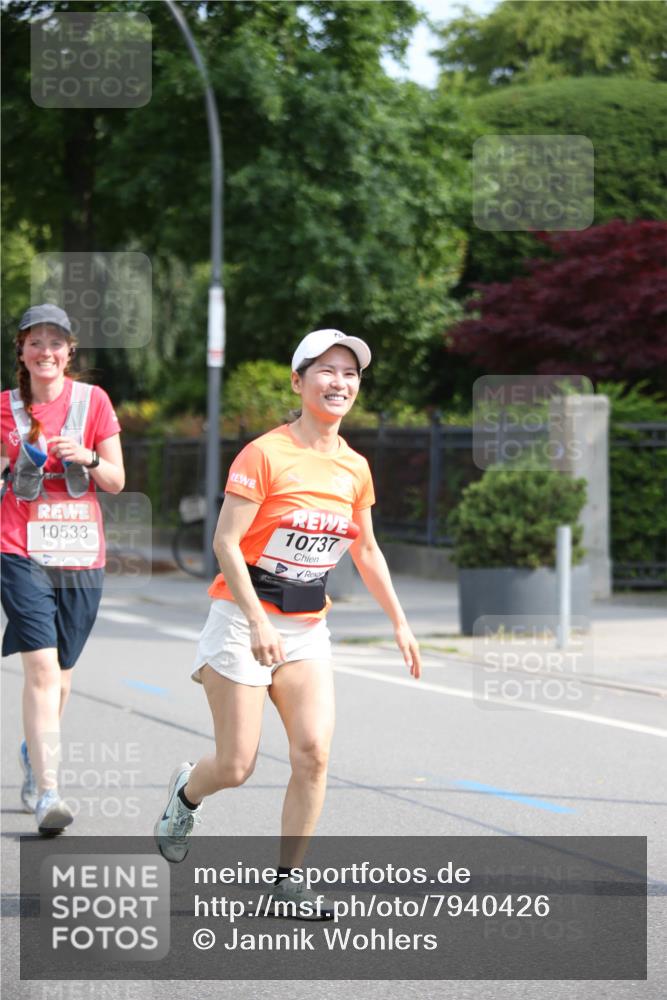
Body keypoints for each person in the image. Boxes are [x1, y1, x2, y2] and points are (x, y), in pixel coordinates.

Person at [155, 328, 421, 917]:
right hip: (240, 620)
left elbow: (367, 551)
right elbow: (226, 544)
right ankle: (187, 793)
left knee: (313, 753)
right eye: (326, 370)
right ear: (298, 381)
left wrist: (400, 623)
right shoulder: (265, 454)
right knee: (237, 764)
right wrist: (255, 620)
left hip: (305, 628)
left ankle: (287, 883)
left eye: (350, 374)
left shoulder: (354, 467)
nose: (340, 382)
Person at [1, 304, 124, 834]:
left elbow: (117, 480)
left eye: (56, 342)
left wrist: (89, 459)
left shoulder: (93, 402)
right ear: (22, 352)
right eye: (35, 342)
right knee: (42, 672)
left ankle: (34, 750)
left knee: (64, 679)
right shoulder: (4, 409)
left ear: (70, 351)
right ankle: (49, 792)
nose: (45, 351)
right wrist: (12, 464)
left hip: (79, 552)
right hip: (17, 547)